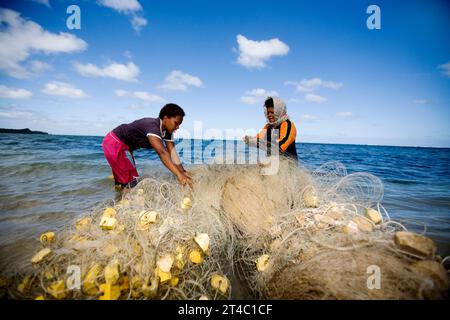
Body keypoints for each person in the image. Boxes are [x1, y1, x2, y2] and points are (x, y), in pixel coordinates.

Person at [102, 103, 193, 189]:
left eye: (179, 125)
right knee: (131, 182)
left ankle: (118, 199)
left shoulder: (168, 132)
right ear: (166, 118)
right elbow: (162, 152)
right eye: (176, 123)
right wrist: (179, 175)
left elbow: (172, 153)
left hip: (124, 147)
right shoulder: (152, 126)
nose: (177, 127)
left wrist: (183, 172)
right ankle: (125, 203)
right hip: (114, 142)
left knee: (124, 180)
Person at [244, 96, 298, 161]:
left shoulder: (288, 125)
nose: (269, 115)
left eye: (272, 112)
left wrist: (259, 142)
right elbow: (259, 138)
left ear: (279, 111)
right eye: (268, 112)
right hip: (272, 162)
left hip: (288, 164)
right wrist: (251, 140)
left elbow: (281, 146)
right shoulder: (268, 126)